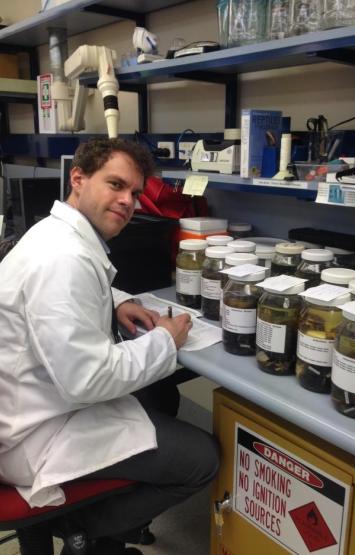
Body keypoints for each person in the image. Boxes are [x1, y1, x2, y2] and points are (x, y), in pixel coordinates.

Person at [0, 138, 220, 554]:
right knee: (201, 460)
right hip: (34, 432)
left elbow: (66, 296)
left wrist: (119, 302)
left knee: (158, 396)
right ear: (78, 178)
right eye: (115, 185)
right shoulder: (63, 258)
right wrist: (164, 341)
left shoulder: (54, 234)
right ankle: (82, 530)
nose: (127, 201)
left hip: (27, 404)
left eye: (135, 193)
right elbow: (87, 380)